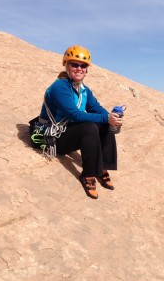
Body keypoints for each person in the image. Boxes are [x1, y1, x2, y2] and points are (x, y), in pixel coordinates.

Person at [38, 45, 123, 199]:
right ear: (66, 65)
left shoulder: (83, 89)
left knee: (104, 122)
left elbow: (97, 108)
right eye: (74, 64)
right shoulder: (60, 87)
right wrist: (106, 118)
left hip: (66, 131)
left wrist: (112, 119)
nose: (79, 68)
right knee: (90, 127)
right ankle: (89, 175)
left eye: (83, 65)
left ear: (87, 69)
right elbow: (75, 115)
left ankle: (102, 167)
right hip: (52, 137)